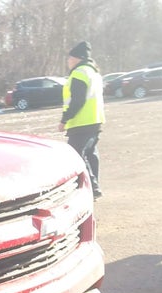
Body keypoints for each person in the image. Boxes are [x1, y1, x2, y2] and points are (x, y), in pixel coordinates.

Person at [58, 40, 105, 198]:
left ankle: (91, 187)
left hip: (81, 122)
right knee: (91, 154)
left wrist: (65, 119)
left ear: (76, 58)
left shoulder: (79, 73)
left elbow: (77, 101)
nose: (68, 62)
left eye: (69, 58)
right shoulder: (93, 72)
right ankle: (95, 185)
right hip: (95, 119)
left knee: (77, 155)